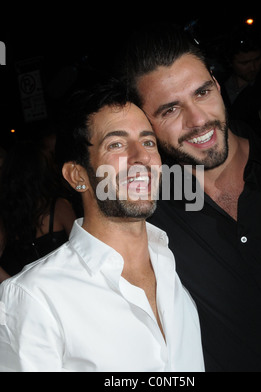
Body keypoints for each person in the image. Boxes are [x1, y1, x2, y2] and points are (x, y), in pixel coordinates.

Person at [121, 24, 261, 372]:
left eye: (202, 93)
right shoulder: (148, 215)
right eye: (170, 110)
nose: (198, 120)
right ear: (146, 126)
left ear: (218, 86)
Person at [0, 81, 205, 372]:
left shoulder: (173, 264)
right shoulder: (35, 298)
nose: (141, 158)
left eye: (148, 142)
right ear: (77, 175)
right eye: (117, 144)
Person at [0, 141, 76, 283]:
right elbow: (82, 248)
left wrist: (13, 285)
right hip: (63, 288)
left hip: (32, 296)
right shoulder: (59, 206)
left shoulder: (7, 214)